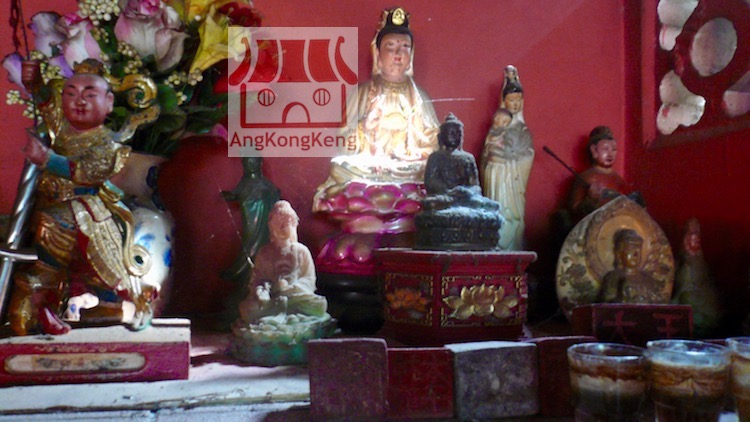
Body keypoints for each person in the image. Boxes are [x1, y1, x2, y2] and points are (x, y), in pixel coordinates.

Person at [8, 59, 157, 336]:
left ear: (109, 102)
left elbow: (87, 171)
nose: (79, 101)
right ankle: (41, 311)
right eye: (71, 94)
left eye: (90, 95)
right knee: (43, 263)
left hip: (84, 212)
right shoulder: (61, 128)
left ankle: (112, 306)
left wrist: (48, 159)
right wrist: (36, 83)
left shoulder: (106, 143)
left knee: (99, 269)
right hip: (49, 205)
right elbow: (47, 106)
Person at [313, 7, 440, 205]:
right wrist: (364, 127)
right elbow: (343, 143)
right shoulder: (362, 93)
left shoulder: (420, 97)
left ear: (411, 55)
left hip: (407, 168)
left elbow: (434, 142)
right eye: (390, 46)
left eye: (405, 47)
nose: (398, 53)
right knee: (340, 168)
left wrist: (416, 153)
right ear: (378, 54)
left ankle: (377, 197)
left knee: (432, 171)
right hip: (369, 166)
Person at [416, 114, 503, 250]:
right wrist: (448, 191)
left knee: (492, 207)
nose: (454, 136)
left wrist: (467, 192)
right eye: (451, 133)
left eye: (458, 133)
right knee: (430, 204)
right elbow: (430, 182)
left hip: (466, 199)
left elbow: (476, 186)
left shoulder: (467, 158)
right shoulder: (435, 157)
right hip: (444, 198)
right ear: (441, 137)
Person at [235, 201, 328, 323]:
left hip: (295, 297)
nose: (282, 227)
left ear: (293, 225)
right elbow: (257, 279)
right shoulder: (264, 252)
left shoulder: (301, 251)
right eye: (278, 223)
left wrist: (291, 287)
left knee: (318, 304)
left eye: (286, 223)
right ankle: (282, 316)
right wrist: (262, 290)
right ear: (271, 227)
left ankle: (283, 317)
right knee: (248, 308)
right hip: (271, 297)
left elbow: (309, 279)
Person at [481, 105, 534, 251]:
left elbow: (519, 152)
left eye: (506, 122)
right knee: (495, 205)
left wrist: (506, 155)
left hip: (509, 174)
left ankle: (508, 241)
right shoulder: (492, 134)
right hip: (494, 172)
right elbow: (487, 153)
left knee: (509, 208)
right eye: (500, 120)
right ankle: (496, 240)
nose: (502, 124)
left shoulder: (517, 132)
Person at [671, 218, 722, 337]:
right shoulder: (677, 263)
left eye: (696, 234)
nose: (694, 238)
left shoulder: (701, 264)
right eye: (691, 234)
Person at [568, 126, 631, 222]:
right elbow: (574, 210)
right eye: (605, 149)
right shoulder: (587, 177)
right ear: (594, 150)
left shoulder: (619, 180)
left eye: (614, 149)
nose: (610, 154)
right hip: (593, 224)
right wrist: (591, 199)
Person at [600, 229, 665, 304]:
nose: (636, 254)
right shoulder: (613, 278)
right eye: (631, 249)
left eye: (639, 250)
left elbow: (659, 303)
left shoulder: (648, 279)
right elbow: (607, 304)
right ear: (619, 254)